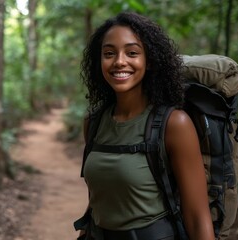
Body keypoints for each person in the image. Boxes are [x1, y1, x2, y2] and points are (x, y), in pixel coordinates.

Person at [75, 12, 215, 240]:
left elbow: (198, 217)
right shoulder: (94, 122)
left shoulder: (174, 124)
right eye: (109, 53)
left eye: (132, 53)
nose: (119, 61)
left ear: (149, 61)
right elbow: (101, 199)